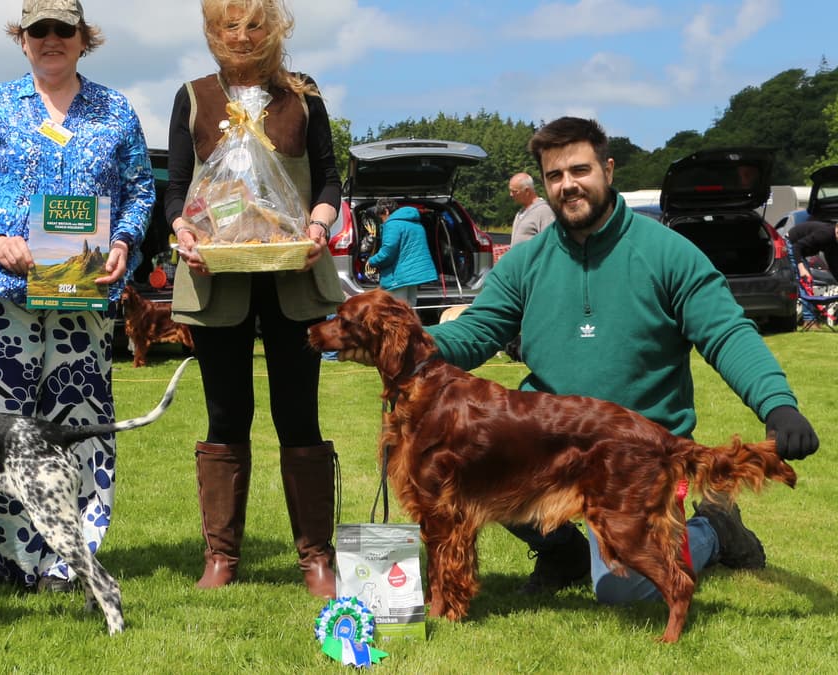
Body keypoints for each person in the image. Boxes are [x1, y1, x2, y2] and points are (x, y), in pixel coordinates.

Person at [342, 116, 819, 605]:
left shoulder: (668, 253)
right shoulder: (527, 262)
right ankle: (563, 551)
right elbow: (479, 329)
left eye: (579, 170)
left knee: (626, 590)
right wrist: (405, 343)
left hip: (635, 452)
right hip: (545, 442)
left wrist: (777, 404)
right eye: (554, 175)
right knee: (477, 455)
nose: (567, 185)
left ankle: (715, 529)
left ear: (608, 170)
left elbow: (727, 333)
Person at [0, 0, 154, 592]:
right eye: (40, 31)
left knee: (82, 427)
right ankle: (15, 561)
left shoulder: (115, 110)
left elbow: (140, 191)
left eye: (64, 29)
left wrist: (124, 242)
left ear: (84, 38)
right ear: (22, 39)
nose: (52, 40)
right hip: (1, 297)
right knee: (1, 434)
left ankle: (72, 560)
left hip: (82, 301)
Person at [165, 0, 345, 597]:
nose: (240, 36)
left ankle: (317, 558)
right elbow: (177, 187)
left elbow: (327, 178)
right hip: (218, 275)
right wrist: (185, 233)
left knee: (299, 415)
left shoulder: (303, 94)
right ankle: (221, 556)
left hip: (294, 274)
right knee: (225, 413)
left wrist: (317, 227)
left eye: (253, 24)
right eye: (228, 25)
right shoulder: (192, 96)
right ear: (212, 32)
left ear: (276, 30)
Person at [366, 204, 438, 306]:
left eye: (380, 217)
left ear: (386, 211)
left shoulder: (392, 224)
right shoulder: (415, 223)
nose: (382, 221)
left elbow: (387, 252)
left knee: (397, 312)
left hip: (399, 276)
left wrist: (372, 261)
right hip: (413, 276)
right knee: (410, 310)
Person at [507, 172, 555, 246]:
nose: (511, 194)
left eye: (514, 191)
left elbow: (550, 243)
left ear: (527, 191)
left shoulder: (544, 211)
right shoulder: (521, 212)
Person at [786, 219, 838, 283]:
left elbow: (832, 262)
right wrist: (801, 269)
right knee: (804, 282)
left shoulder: (834, 241)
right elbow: (797, 246)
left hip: (799, 250)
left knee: (806, 281)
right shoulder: (825, 234)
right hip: (791, 243)